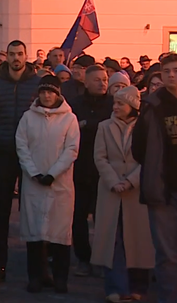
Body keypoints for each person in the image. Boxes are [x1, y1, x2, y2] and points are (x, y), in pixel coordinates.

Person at [0, 40, 41, 284]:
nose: (16, 58)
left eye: (20, 54)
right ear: (7, 57)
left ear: (26, 56)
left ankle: (36, 271)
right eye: (13, 54)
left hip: (31, 157)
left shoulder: (37, 84)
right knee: (0, 214)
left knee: (34, 213)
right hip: (3, 154)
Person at [14, 75, 80, 293]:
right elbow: (21, 146)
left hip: (59, 184)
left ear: (58, 93)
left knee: (60, 233)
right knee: (34, 233)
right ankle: (36, 276)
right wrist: (34, 173)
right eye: (43, 92)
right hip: (34, 183)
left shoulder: (69, 119)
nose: (47, 96)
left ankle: (61, 277)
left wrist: (53, 174)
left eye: (51, 92)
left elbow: (71, 149)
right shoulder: (27, 118)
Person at [93, 86, 154, 302]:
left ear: (133, 106)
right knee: (114, 240)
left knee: (139, 240)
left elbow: (148, 158)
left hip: (136, 192)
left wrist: (131, 181)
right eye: (115, 103)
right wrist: (113, 181)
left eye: (121, 103)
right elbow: (100, 157)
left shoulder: (145, 127)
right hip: (112, 192)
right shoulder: (104, 127)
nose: (116, 106)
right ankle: (115, 287)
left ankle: (138, 286)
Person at [132, 53, 177, 303]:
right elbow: (138, 148)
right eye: (167, 71)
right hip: (162, 190)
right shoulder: (152, 105)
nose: (171, 75)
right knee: (166, 255)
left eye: (176, 70)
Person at [68, 65, 112, 277]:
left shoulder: (113, 104)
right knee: (78, 218)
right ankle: (83, 258)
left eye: (104, 79)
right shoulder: (75, 105)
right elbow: (72, 130)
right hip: (80, 169)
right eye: (97, 80)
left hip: (105, 171)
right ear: (86, 82)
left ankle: (103, 259)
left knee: (103, 218)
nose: (102, 83)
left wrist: (89, 124)